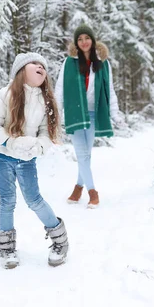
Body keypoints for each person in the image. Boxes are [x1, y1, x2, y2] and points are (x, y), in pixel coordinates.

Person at [0, 52, 68, 269]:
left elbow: (46, 131)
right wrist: (10, 143)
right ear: (21, 70)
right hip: (2, 155)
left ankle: (60, 241)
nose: (41, 66)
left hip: (26, 159)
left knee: (33, 199)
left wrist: (38, 147)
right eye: (35, 63)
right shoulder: (6, 94)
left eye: (43, 65)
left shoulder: (45, 100)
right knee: (7, 200)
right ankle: (6, 248)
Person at [55, 24, 121, 209]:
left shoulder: (103, 63)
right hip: (75, 113)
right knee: (82, 154)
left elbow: (109, 89)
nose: (84, 42)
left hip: (93, 112)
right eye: (80, 39)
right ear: (76, 43)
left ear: (93, 40)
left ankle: (78, 188)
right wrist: (57, 113)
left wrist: (115, 113)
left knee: (86, 155)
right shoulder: (69, 63)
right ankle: (93, 193)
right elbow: (60, 88)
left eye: (87, 38)